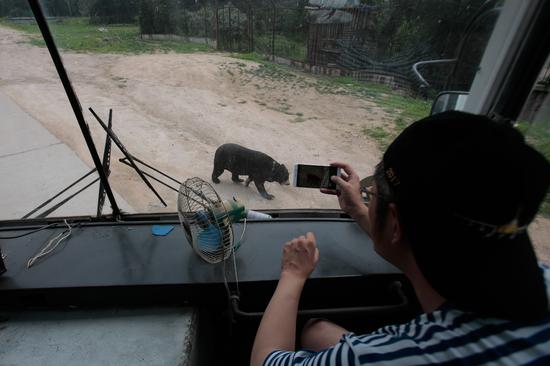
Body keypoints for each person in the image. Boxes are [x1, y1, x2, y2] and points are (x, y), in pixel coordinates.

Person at [250, 111, 550, 366]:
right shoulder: (539, 276)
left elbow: (267, 360)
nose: (368, 199)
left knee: (316, 329)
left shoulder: (399, 356)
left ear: (394, 222)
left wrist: (292, 274)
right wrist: (359, 209)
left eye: (372, 194)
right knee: (317, 331)